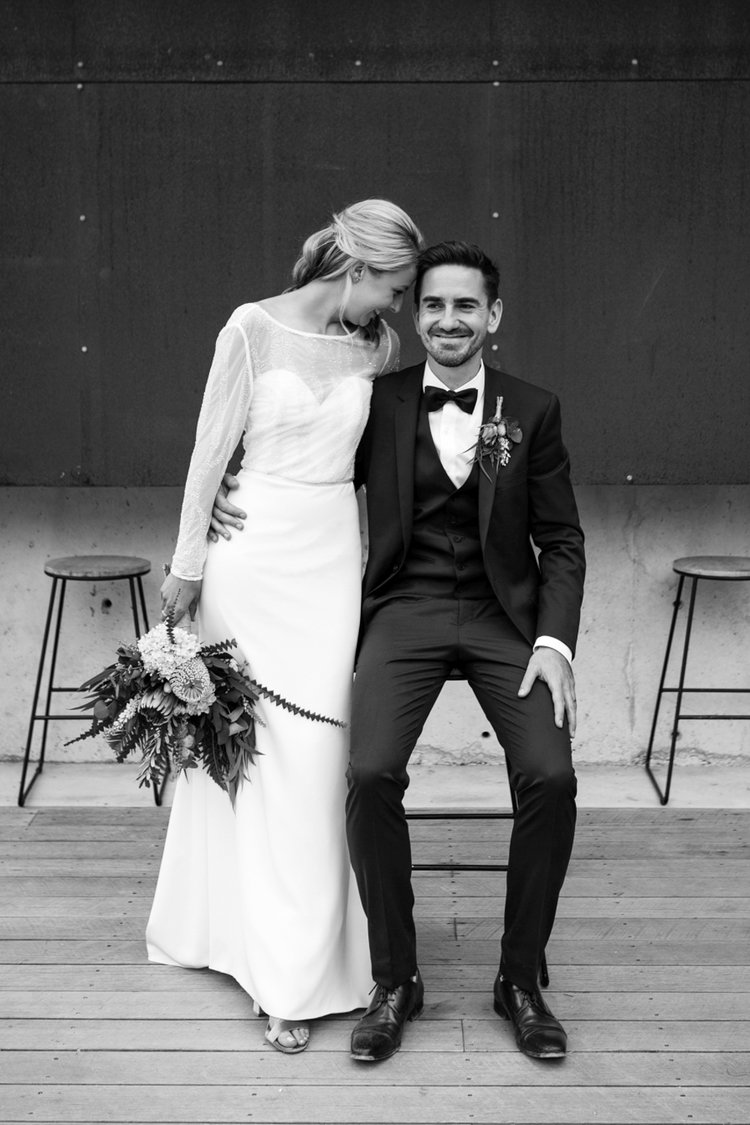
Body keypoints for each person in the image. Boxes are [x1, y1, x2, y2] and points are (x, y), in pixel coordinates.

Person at [213, 240, 585, 1063]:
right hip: (403, 611)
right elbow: (291, 457)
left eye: (465, 306)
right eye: (432, 305)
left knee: (552, 776)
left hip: (504, 623)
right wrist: (227, 509)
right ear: (412, 317)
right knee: (369, 770)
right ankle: (395, 979)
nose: (447, 319)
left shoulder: (533, 408)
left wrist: (555, 642)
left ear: (493, 316)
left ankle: (518, 977)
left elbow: (560, 539)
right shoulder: (374, 400)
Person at [147, 199, 424, 1055]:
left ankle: (314, 950)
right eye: (396, 289)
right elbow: (208, 450)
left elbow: (379, 466)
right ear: (357, 268)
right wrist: (188, 567)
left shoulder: (377, 348)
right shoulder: (250, 328)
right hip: (249, 554)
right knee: (251, 753)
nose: (402, 310)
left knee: (315, 756)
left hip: (330, 561)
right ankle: (279, 974)